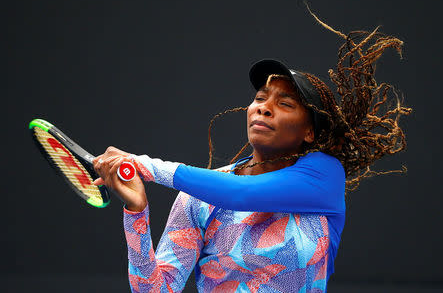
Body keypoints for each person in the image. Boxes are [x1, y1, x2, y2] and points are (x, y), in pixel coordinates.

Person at [93, 24, 411, 292]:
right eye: (259, 98)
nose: (263, 106)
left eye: (285, 103)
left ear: (309, 132)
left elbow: (242, 193)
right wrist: (136, 212)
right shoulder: (197, 197)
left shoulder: (324, 175)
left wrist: (147, 165)